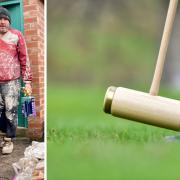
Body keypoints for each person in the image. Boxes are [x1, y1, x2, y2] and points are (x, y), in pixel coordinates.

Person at [0, 6, 32, 154]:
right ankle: (1, 137)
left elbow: (24, 59)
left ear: (9, 21)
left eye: (5, 19)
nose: (2, 22)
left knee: (10, 111)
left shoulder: (16, 36)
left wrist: (27, 81)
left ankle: (8, 140)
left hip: (11, 81)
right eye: (0, 19)